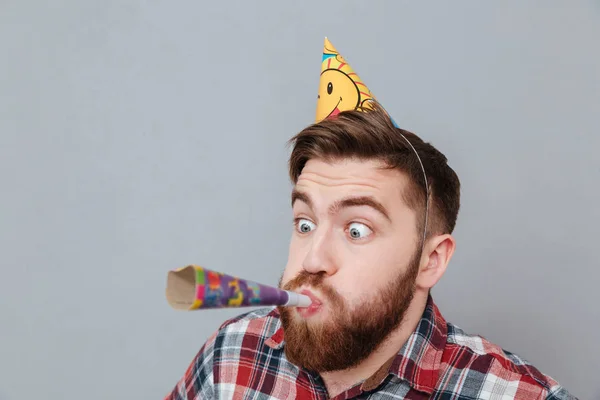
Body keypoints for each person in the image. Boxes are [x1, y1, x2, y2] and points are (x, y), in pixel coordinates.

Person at [165, 39, 576, 399]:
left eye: (356, 230)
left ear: (430, 260)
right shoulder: (233, 355)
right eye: (304, 224)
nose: (312, 260)